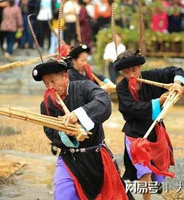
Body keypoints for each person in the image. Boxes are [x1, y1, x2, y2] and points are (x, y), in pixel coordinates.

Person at [32, 59, 129, 199]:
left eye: (53, 81)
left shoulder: (85, 87)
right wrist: (66, 134)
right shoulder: (47, 104)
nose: (50, 87)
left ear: (65, 76)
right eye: (46, 83)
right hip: (69, 158)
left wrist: (77, 115)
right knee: (63, 194)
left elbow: (104, 102)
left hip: (96, 156)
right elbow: (50, 132)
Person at [114, 49, 184, 200]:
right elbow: (129, 109)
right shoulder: (121, 87)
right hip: (135, 134)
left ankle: (154, 191)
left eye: (134, 70)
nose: (131, 75)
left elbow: (175, 70)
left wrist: (176, 83)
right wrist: (159, 102)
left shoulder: (152, 75)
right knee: (144, 171)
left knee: (157, 170)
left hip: (155, 131)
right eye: (126, 72)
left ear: (140, 67)